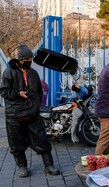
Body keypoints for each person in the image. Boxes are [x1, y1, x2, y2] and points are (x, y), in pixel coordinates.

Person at [0, 44, 60, 177]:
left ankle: (49, 165)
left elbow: (39, 90)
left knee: (42, 140)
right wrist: (17, 94)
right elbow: (3, 91)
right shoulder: (9, 72)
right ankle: (22, 167)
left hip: (32, 113)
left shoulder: (33, 73)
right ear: (21, 59)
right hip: (14, 115)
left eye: (30, 58)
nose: (29, 61)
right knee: (16, 143)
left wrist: (36, 101)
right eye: (27, 59)